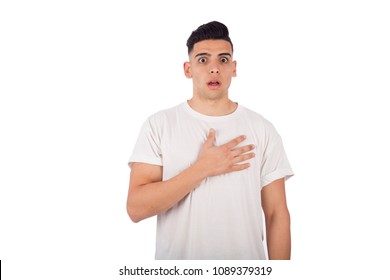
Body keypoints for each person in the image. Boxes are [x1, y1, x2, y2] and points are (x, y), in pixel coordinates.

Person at [126, 21, 294, 260]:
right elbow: (136, 208)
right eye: (203, 60)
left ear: (234, 68)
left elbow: (277, 213)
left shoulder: (262, 129)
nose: (214, 68)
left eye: (223, 60)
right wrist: (203, 168)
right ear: (188, 69)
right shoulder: (159, 125)